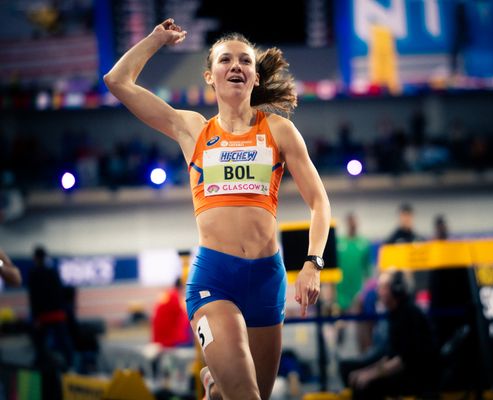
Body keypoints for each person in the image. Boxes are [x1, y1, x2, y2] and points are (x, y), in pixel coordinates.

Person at [103, 19, 331, 400]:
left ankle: (214, 387)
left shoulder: (278, 130)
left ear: (256, 78)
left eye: (245, 61)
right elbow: (116, 81)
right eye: (226, 60)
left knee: (251, 392)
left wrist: (313, 263)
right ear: (210, 76)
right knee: (246, 395)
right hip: (215, 279)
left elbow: (320, 203)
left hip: (266, 279)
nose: (236, 66)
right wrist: (156, 39)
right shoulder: (193, 129)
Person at [347, 270, 438, 399]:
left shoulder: (408, 315)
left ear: (397, 289)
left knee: (367, 385)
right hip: (408, 372)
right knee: (358, 378)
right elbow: (391, 356)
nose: (378, 292)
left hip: (419, 376)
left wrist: (370, 375)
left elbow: (403, 360)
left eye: (383, 287)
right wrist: (366, 371)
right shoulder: (396, 314)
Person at [27, 245, 75, 369]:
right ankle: (70, 366)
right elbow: (61, 294)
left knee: (40, 343)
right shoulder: (53, 273)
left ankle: (41, 366)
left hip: (43, 316)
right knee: (64, 342)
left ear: (35, 258)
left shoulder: (33, 274)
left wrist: (35, 318)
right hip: (58, 314)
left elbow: (34, 298)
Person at [152, 277, 192, 348]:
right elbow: (188, 317)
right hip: (171, 341)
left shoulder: (167, 294)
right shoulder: (177, 298)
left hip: (158, 339)